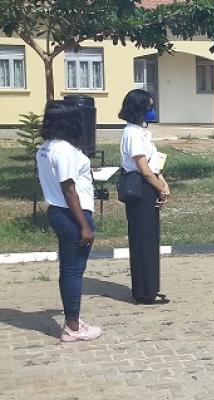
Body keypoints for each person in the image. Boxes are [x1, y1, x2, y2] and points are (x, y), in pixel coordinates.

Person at [37, 101, 102, 341]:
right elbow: (68, 188)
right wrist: (84, 226)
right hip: (72, 214)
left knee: (68, 269)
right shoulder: (63, 149)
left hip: (58, 211)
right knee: (74, 270)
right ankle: (73, 327)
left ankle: (72, 319)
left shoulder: (46, 148)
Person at [119, 89, 169, 305]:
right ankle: (144, 291)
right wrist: (160, 188)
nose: (152, 110)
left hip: (150, 184)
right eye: (149, 107)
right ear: (139, 109)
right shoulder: (132, 133)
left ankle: (150, 287)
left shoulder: (141, 132)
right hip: (141, 188)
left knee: (150, 239)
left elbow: (153, 164)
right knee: (143, 239)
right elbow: (143, 168)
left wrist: (163, 182)